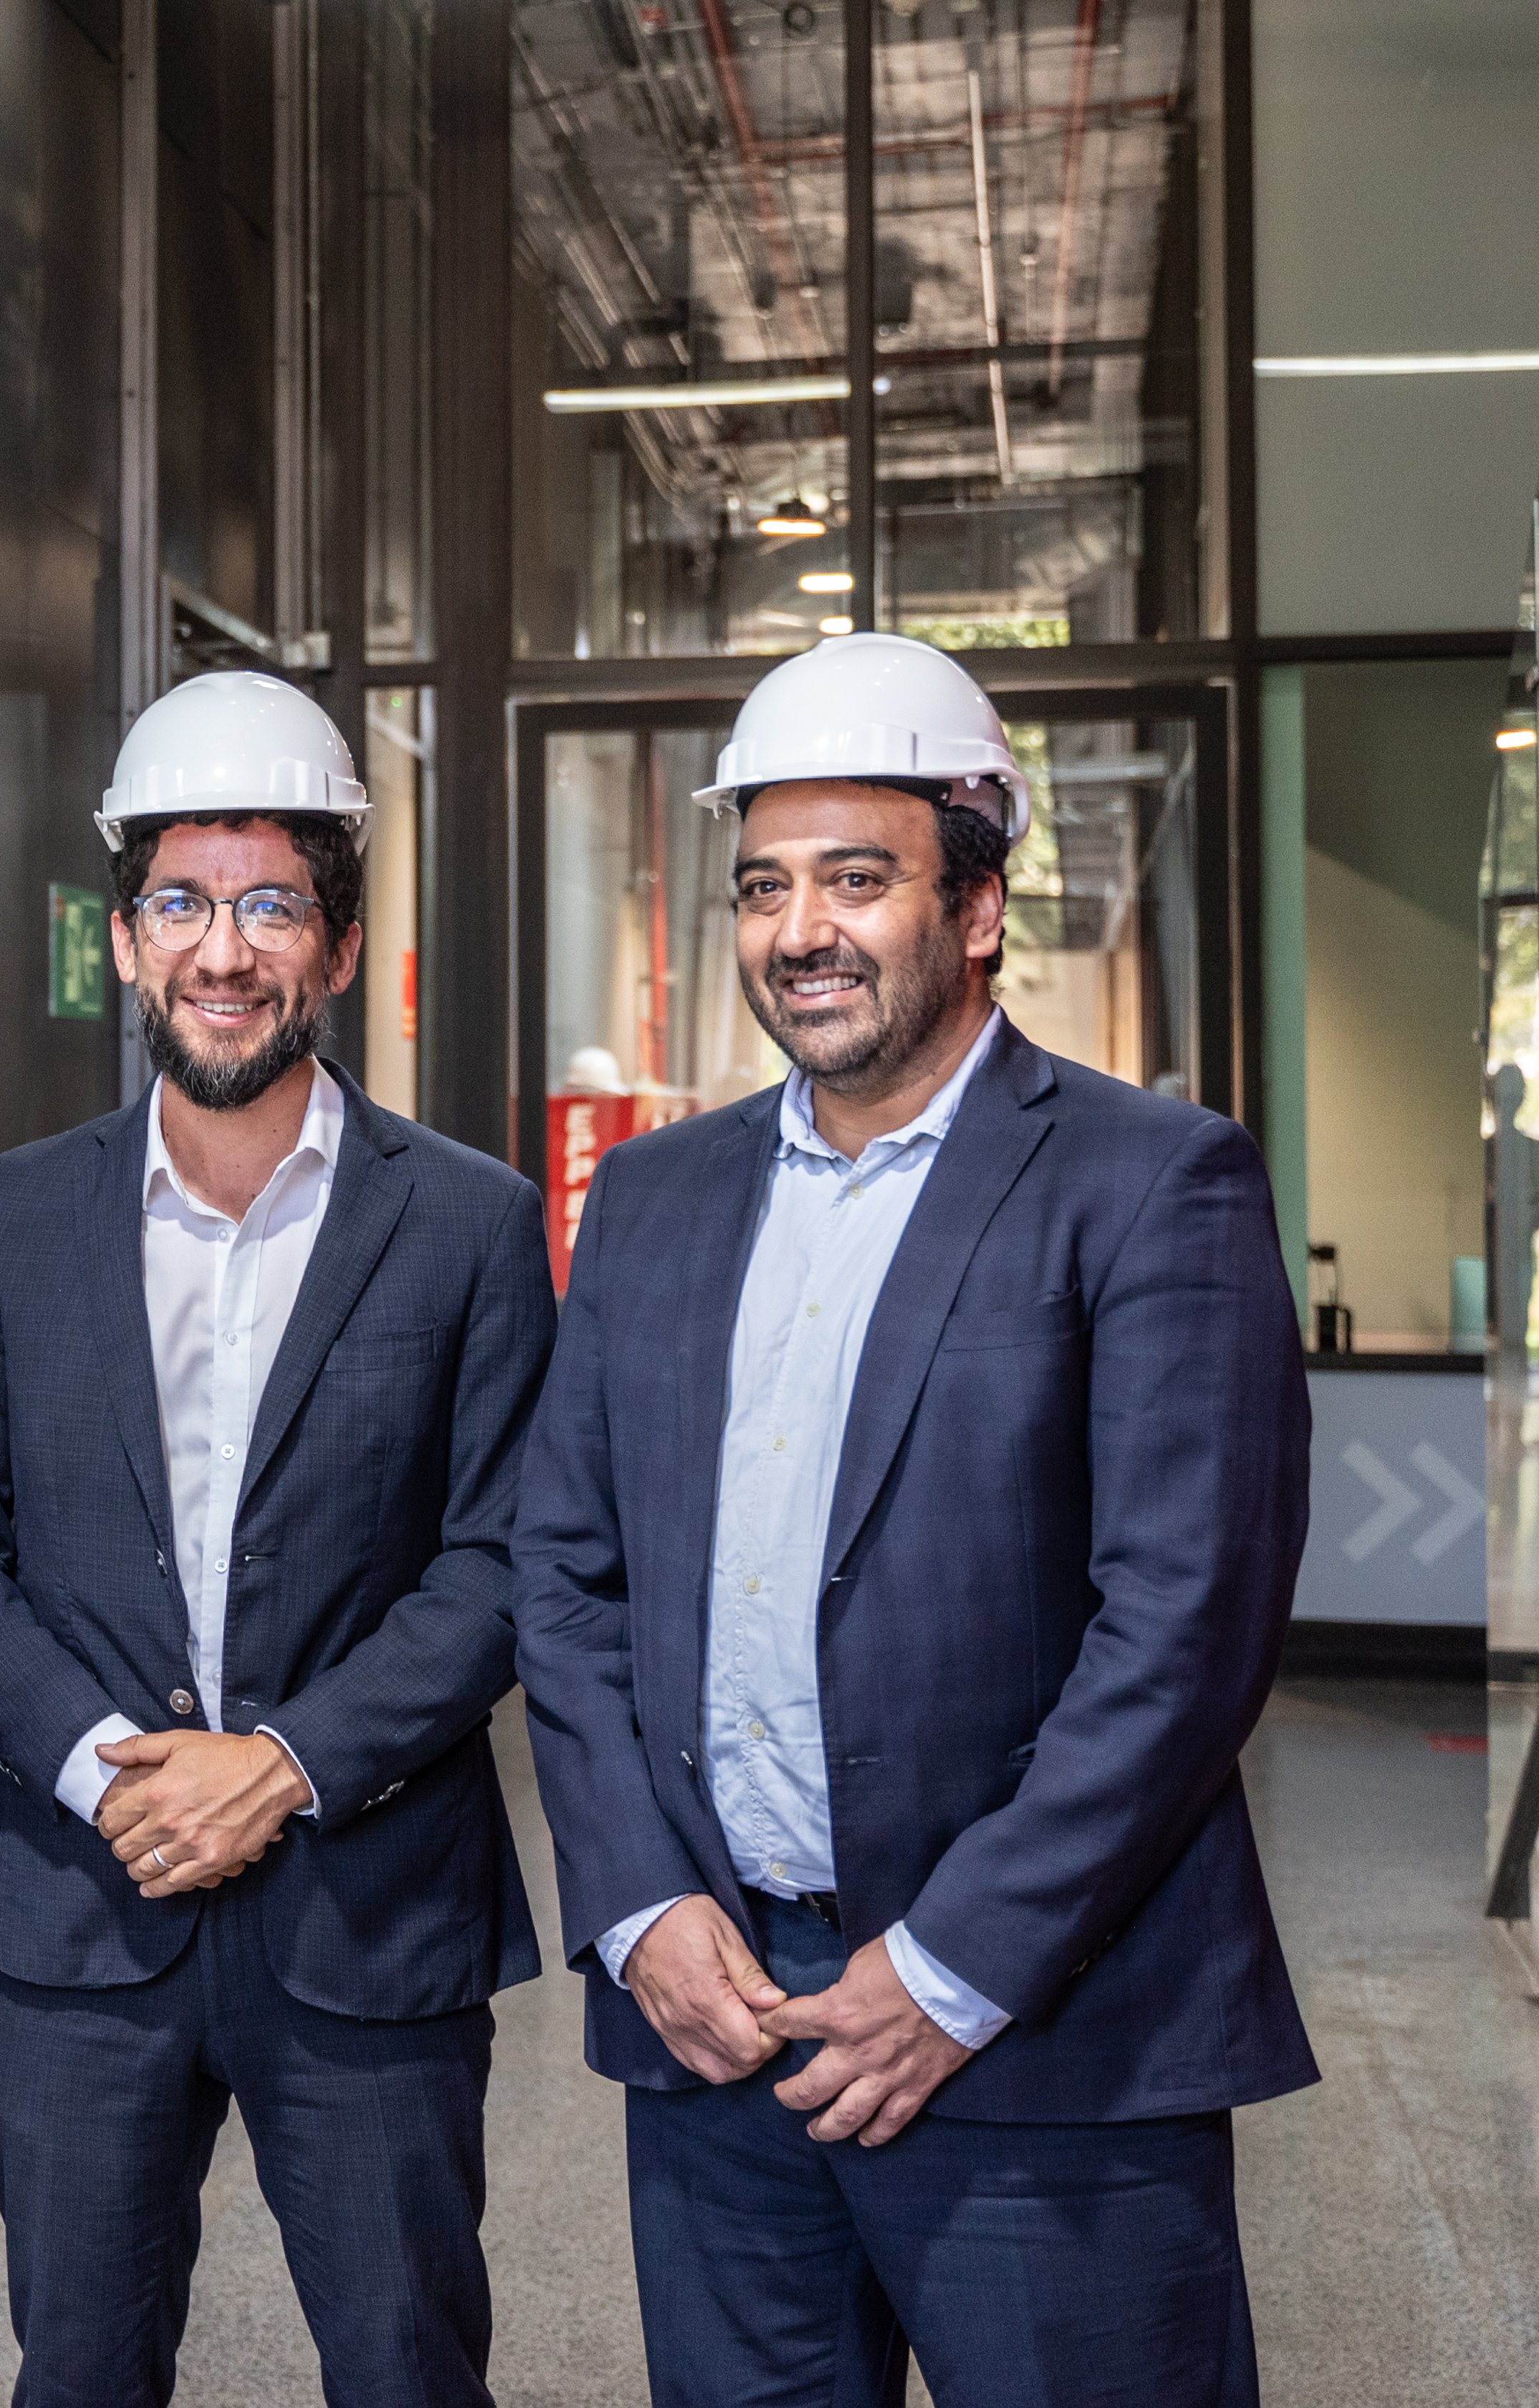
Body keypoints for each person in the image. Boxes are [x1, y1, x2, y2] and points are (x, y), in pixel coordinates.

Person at [513, 631, 1316, 2407]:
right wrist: (638, 1907)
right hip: (715, 2025)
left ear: (976, 907)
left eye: (855, 878)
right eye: (764, 886)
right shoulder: (651, 1199)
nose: (800, 928)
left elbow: (1185, 1627)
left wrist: (952, 1969)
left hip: (1044, 2038)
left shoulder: (1148, 1181)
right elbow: (562, 1578)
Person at [0, 670, 555, 2408]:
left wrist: (284, 1764)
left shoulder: (468, 1223)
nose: (223, 951)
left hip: (370, 1913)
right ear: (126, 942)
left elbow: (500, 1559)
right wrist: (105, 1768)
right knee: (80, 2371)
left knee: (408, 2370)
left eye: (271, 907)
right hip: (86, 1916)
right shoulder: (18, 1217)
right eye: (180, 904)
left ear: (337, 948)